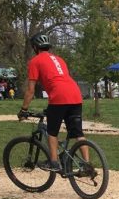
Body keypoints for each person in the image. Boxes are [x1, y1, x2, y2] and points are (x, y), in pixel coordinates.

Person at [18, 33, 87, 171]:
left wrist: (24, 109)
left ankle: (54, 162)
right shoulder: (60, 59)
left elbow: (30, 90)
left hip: (59, 96)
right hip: (75, 94)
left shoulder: (35, 61)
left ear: (35, 47)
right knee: (78, 134)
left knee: (52, 132)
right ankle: (87, 165)